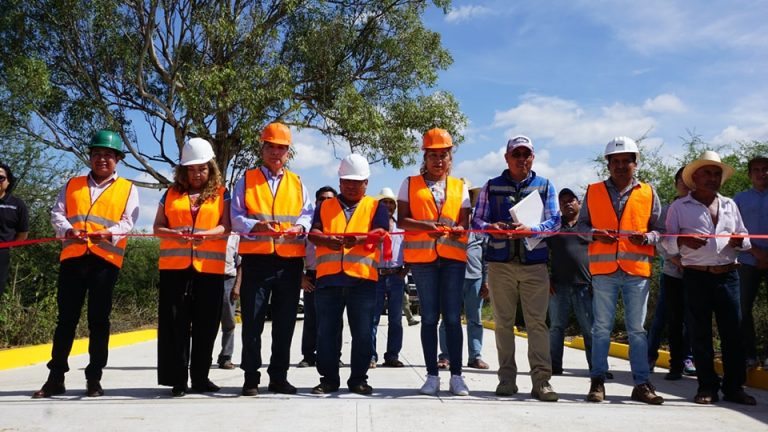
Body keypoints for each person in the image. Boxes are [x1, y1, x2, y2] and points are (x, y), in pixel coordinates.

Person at [33, 130, 139, 398]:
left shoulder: (128, 188)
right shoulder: (72, 184)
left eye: (108, 155)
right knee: (65, 320)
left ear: (117, 159)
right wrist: (68, 230)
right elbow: (57, 213)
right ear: (90, 156)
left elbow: (128, 221)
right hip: (73, 260)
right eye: (97, 154)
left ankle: (94, 378)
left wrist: (109, 233)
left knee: (99, 320)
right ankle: (55, 377)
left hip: (105, 261)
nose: (102, 159)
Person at [664, 150, 756, 405]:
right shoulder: (679, 207)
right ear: (695, 176)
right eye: (708, 173)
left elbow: (745, 237)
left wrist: (741, 241)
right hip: (696, 276)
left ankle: (734, 387)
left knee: (733, 334)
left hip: (728, 275)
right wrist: (683, 241)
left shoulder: (729, 204)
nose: (713, 178)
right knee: (700, 334)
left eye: (717, 174)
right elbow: (667, 243)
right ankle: (706, 387)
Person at [473, 135, 560, 401]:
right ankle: (506, 380)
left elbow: (555, 223)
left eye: (526, 154)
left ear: (533, 157)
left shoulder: (545, 186)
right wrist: (492, 228)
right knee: (503, 324)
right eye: (516, 154)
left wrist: (531, 230)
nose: (522, 159)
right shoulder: (491, 186)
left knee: (537, 325)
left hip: (535, 266)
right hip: (500, 265)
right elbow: (476, 220)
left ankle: (542, 382)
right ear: (507, 158)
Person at [579, 136, 663, 405]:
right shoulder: (593, 191)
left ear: (635, 164)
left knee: (637, 329)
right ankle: (598, 381)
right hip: (604, 270)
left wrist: (648, 238)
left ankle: (641, 383)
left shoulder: (648, 192)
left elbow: (661, 229)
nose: (621, 166)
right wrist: (594, 234)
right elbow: (580, 227)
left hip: (636, 270)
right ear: (608, 165)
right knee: (601, 328)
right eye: (616, 161)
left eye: (626, 161)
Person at [231, 122, 313, 396]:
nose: (276, 152)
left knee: (285, 324)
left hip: (289, 262)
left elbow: (307, 214)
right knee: (252, 323)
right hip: (256, 261)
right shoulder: (246, 179)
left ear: (288, 152)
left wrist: (300, 227)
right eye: (271, 147)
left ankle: (278, 376)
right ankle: (251, 377)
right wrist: (256, 227)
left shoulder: (298, 182)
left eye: (281, 148)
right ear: (262, 148)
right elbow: (235, 216)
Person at [154, 137, 229, 397]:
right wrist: (175, 234)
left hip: (209, 268)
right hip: (175, 268)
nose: (197, 173)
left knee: (206, 325)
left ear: (211, 169)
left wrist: (208, 234)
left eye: (202, 168)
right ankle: (177, 378)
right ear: (183, 170)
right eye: (192, 168)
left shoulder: (221, 193)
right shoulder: (171, 193)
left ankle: (200, 377)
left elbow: (226, 226)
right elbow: (157, 227)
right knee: (176, 323)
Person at [308, 154, 389, 395]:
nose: (352, 186)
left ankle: (358, 379)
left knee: (362, 333)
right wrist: (325, 240)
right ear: (340, 180)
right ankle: (329, 379)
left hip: (362, 280)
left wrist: (360, 239)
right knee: (327, 334)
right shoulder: (325, 206)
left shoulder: (376, 206)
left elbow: (381, 232)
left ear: (366, 182)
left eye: (358, 181)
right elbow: (313, 233)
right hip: (329, 279)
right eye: (347, 181)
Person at [399, 128, 471, 397]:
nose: (439, 160)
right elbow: (402, 219)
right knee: (429, 317)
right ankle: (431, 375)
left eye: (444, 155)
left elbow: (465, 221)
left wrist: (461, 229)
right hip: (423, 260)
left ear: (450, 158)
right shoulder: (410, 183)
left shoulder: (459, 186)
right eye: (433, 155)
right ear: (425, 157)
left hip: (452, 258)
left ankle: (457, 376)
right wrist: (425, 226)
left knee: (452, 317)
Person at [647, 167, 696, 380]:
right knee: (663, 319)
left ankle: (687, 358)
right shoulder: (668, 209)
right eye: (681, 180)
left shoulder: (700, 208)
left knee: (692, 319)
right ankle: (650, 356)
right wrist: (674, 259)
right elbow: (659, 239)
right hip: (672, 272)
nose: (684, 184)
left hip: (696, 273)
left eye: (689, 180)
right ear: (676, 183)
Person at [438, 185, 490, 370]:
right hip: (452, 278)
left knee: (475, 319)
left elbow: (486, 257)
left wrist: (486, 281)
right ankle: (445, 356)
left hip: (475, 279)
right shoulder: (449, 225)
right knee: (448, 319)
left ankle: (475, 356)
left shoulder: (480, 228)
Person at [546, 188, 595, 377]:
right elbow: (543, 254)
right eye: (563, 201)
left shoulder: (587, 227)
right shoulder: (554, 228)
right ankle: (554, 366)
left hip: (585, 285)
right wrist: (546, 277)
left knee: (590, 329)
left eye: (571, 200)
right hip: (558, 286)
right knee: (556, 328)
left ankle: (596, 368)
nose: (567, 203)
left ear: (579, 202)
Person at [298, 186, 342, 369]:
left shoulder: (338, 223)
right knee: (311, 318)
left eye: (329, 199)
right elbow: (294, 253)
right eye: (321, 199)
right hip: (313, 276)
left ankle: (334, 355)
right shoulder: (306, 226)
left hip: (333, 275)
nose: (324, 202)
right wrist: (301, 278)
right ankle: (309, 355)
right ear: (315, 202)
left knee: (334, 319)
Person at [734, 156, 768, 369]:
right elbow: (734, 232)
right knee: (742, 308)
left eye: (765, 169)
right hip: (747, 259)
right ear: (749, 174)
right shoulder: (739, 199)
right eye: (756, 170)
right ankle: (749, 355)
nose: (761, 173)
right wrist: (757, 252)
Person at [371, 187, 408, 368]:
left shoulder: (402, 226)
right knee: (372, 318)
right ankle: (371, 355)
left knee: (395, 319)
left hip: (396, 275)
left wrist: (405, 270)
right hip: (376, 275)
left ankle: (392, 355)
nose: (387, 205)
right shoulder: (371, 225)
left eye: (390, 202)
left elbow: (410, 250)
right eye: (383, 202)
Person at [0, 162, 29, 297]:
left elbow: (22, 233)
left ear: (8, 180)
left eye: (1, 177)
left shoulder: (17, 204)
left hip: (2, 254)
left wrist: (10, 247)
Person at [217, 233, 241, 370]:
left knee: (229, 321)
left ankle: (226, 357)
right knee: (205, 322)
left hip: (228, 280)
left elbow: (240, 264)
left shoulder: (235, 237)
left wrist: (237, 286)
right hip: (209, 278)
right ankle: (203, 357)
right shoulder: (210, 232)